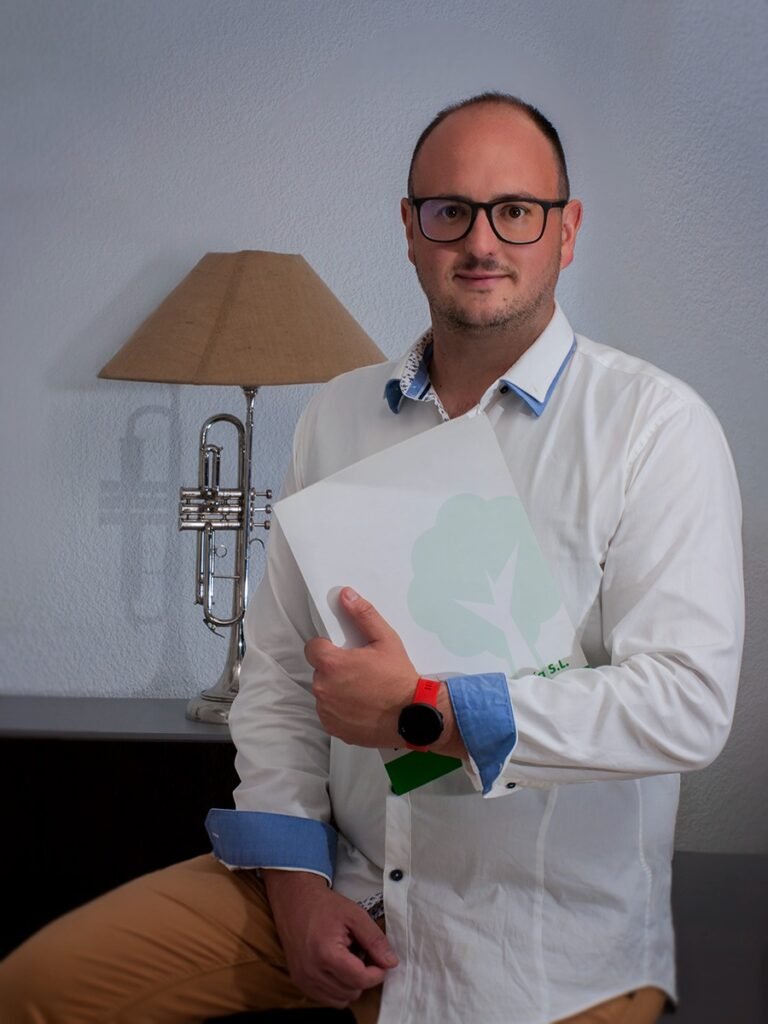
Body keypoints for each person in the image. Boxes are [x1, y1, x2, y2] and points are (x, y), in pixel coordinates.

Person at [0, 92, 744, 1024]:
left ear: (567, 230)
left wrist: (425, 711)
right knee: (32, 989)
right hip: (343, 880)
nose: (482, 241)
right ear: (409, 229)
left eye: (516, 210)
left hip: (546, 944)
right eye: (450, 211)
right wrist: (295, 885)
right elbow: (277, 675)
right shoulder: (337, 414)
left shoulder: (654, 428)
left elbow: (686, 705)